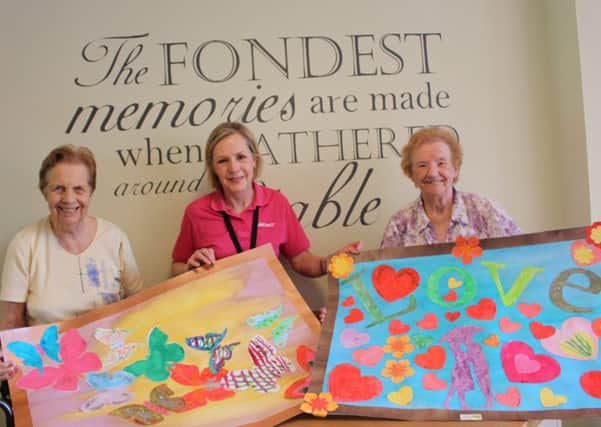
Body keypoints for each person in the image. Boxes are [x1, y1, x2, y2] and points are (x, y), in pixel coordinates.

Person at [0, 145, 143, 381]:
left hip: (111, 368)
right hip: (49, 373)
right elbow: (12, 322)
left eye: (79, 189)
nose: (68, 199)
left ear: (91, 192)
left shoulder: (114, 238)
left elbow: (138, 307)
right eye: (58, 189)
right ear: (44, 192)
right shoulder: (25, 244)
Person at [171, 121, 361, 279]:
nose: (234, 168)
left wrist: (333, 262)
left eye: (241, 157)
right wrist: (189, 267)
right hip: (221, 315)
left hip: (271, 314)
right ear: (213, 168)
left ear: (254, 160)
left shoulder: (277, 203)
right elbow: (176, 267)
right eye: (223, 161)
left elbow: (302, 261)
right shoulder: (196, 212)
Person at [380, 127, 521, 248]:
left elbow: (522, 256)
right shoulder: (399, 225)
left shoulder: (486, 210)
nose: (432, 173)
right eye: (423, 165)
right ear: (411, 173)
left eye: (441, 163)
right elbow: (383, 274)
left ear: (456, 169)